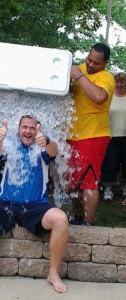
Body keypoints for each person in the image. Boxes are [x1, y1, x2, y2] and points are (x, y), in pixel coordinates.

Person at [0, 115, 68, 293]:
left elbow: (54, 152)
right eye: (24, 127)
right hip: (5, 203)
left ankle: (53, 273)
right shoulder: (10, 146)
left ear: (38, 129)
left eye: (32, 127)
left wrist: (46, 140)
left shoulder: (42, 148)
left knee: (60, 219)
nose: (28, 131)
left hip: (36, 206)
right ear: (19, 129)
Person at [68, 43, 116, 225]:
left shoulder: (107, 77)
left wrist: (79, 76)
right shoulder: (78, 68)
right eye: (89, 59)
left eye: (96, 63)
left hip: (94, 135)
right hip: (73, 134)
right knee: (73, 182)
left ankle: (88, 223)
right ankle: (77, 217)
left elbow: (98, 97)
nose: (90, 65)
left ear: (105, 63)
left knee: (88, 181)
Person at [101, 72, 126, 204]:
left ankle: (125, 187)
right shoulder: (108, 97)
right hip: (111, 136)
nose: (119, 84)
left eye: (122, 82)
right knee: (110, 163)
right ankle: (108, 188)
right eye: (117, 82)